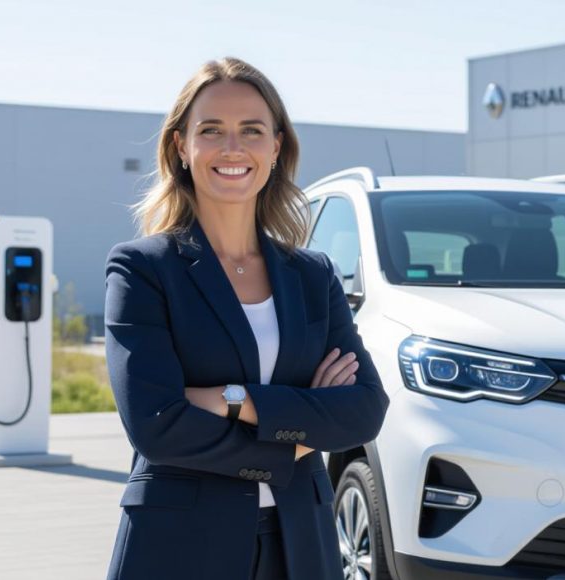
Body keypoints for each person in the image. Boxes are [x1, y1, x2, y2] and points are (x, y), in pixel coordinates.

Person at [103, 57, 388, 580]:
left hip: (301, 544)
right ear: (181, 146)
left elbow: (364, 410)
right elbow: (157, 424)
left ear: (276, 147)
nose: (232, 148)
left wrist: (230, 400)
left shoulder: (313, 275)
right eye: (211, 130)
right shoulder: (143, 270)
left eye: (251, 130)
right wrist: (297, 436)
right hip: (180, 547)